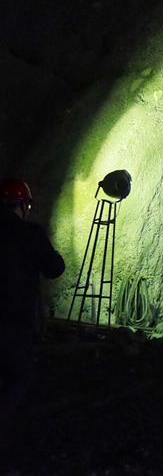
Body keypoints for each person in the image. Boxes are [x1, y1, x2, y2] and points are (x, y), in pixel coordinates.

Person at [1, 178, 65, 429]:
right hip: (15, 321)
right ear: (24, 205)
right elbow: (54, 269)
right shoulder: (29, 234)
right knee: (19, 376)